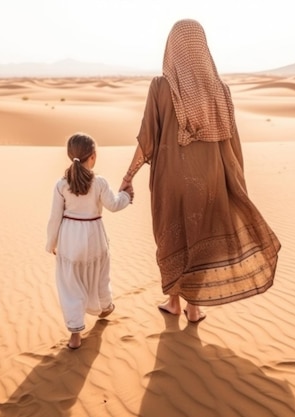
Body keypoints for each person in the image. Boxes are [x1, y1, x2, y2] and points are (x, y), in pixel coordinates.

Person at [120, 19, 281, 323]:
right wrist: (236, 184)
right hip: (210, 181)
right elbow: (232, 144)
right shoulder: (220, 89)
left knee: (172, 237)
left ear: (172, 47)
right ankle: (195, 308)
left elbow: (147, 139)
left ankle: (174, 303)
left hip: (170, 180)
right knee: (201, 238)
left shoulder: (161, 86)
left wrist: (129, 176)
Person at [47, 133, 132, 349]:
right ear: (92, 157)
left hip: (70, 239)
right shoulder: (100, 182)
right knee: (100, 275)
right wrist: (127, 196)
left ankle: (75, 334)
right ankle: (105, 307)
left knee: (70, 284)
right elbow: (113, 205)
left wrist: (52, 243)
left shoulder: (61, 184)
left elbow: (54, 218)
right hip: (95, 237)